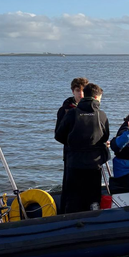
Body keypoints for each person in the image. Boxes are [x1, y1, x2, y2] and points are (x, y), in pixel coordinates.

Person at [54, 83, 110, 213]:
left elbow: (59, 136)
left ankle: (71, 222)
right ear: (96, 97)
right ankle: (94, 219)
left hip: (74, 162)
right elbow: (105, 136)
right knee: (93, 197)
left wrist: (73, 144)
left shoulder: (72, 113)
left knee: (73, 196)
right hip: (94, 163)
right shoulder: (101, 115)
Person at [55, 77, 88, 211]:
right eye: (78, 91)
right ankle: (65, 212)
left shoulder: (90, 109)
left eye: (83, 91)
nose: (81, 94)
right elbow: (58, 134)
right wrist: (74, 142)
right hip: (71, 154)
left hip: (88, 155)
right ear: (72, 91)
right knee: (69, 186)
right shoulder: (65, 110)